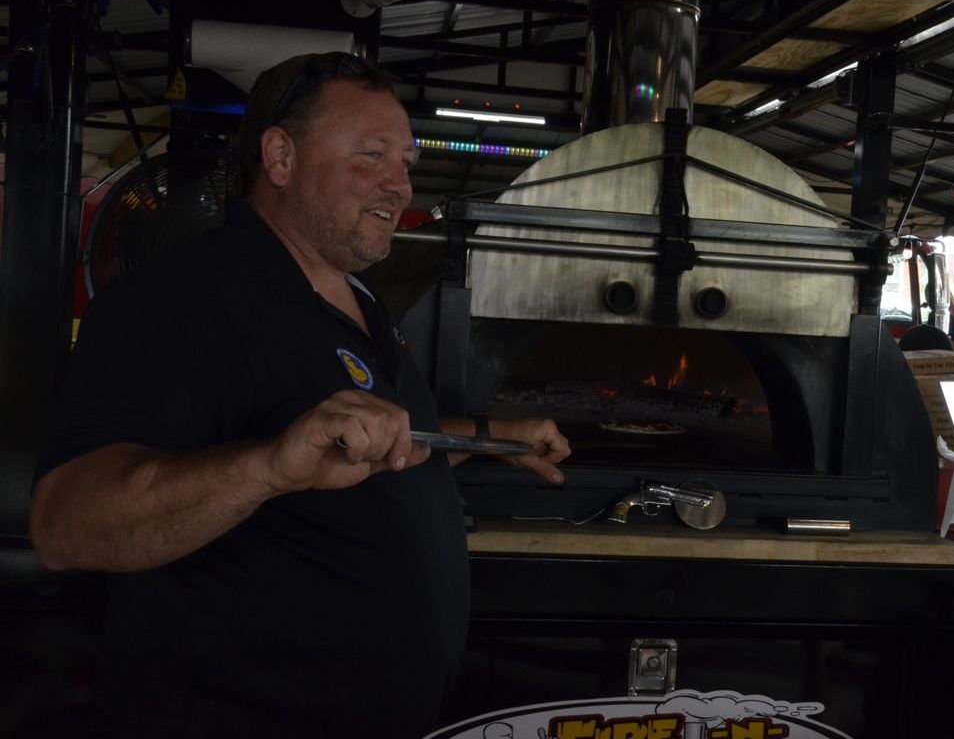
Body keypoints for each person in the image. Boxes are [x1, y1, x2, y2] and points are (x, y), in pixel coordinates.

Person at [28, 52, 571, 738]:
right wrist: (270, 467)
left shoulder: (358, 296)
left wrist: (493, 436)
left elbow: (377, 448)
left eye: (404, 161)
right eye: (371, 155)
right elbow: (65, 525)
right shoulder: (183, 304)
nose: (399, 185)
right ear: (280, 157)